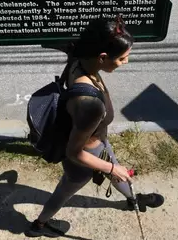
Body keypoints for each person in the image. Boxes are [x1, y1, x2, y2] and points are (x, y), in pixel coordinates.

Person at [25, 16, 165, 238]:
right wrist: (109, 168)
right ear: (102, 57)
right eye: (122, 58)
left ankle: (133, 199)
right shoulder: (90, 104)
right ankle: (39, 225)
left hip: (97, 142)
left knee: (118, 171)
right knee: (66, 190)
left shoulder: (78, 59)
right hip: (82, 157)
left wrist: (112, 167)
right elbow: (74, 152)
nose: (125, 62)